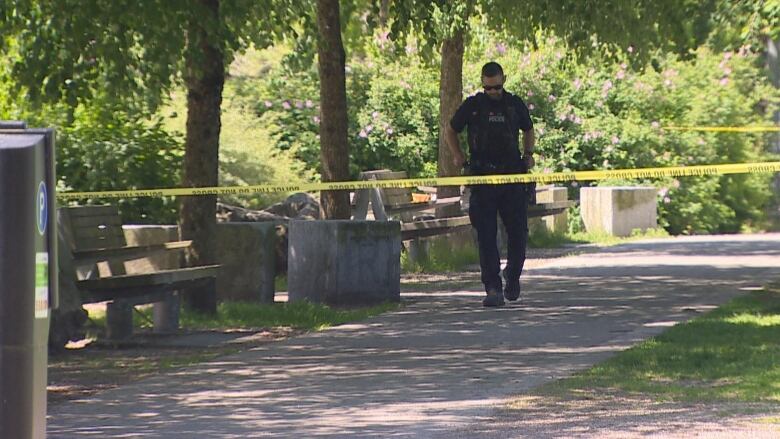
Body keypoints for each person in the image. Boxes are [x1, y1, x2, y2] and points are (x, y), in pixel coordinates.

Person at [445, 61, 535, 307]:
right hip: (482, 177)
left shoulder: (514, 104)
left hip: (512, 177)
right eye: (488, 88)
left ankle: (513, 276)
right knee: (486, 236)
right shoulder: (473, 105)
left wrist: (529, 154)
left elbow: (529, 129)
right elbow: (451, 130)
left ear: (503, 80)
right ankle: (492, 288)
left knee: (518, 234)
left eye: (497, 87)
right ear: (483, 84)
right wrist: (458, 156)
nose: (493, 92)